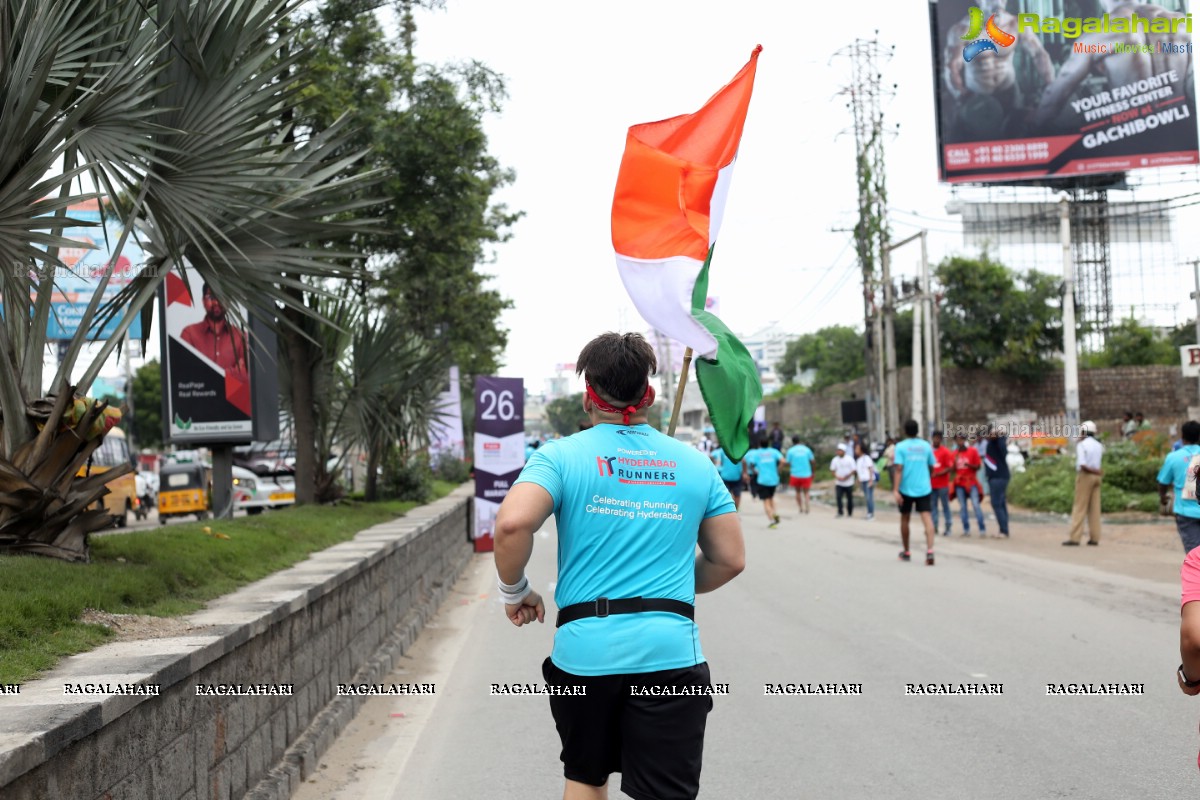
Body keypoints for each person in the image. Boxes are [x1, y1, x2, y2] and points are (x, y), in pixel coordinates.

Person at [493, 332, 745, 800]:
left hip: (584, 655)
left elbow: (511, 526)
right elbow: (730, 559)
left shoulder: (559, 456)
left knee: (586, 779)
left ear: (589, 396)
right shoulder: (694, 462)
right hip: (670, 657)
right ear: (648, 395)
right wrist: (664, 591)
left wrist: (516, 591)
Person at [1032, 0, 1192, 128]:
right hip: (1180, 133)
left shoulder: (1097, 35)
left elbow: (1053, 100)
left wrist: (1032, 128)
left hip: (1134, 138)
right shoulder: (1181, 24)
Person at [893, 419, 938, 565]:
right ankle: (930, 551)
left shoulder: (900, 447)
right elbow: (932, 465)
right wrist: (927, 478)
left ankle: (906, 551)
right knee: (927, 519)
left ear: (905, 431)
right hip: (924, 488)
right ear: (918, 430)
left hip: (906, 489)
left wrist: (895, 490)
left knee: (905, 519)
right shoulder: (926, 446)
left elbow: (898, 469)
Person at [180, 282, 247, 377]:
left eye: (222, 297)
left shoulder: (240, 336)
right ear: (203, 301)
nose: (216, 302)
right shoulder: (189, 333)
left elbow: (246, 374)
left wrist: (205, 374)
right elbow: (183, 372)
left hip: (233, 392)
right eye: (211, 297)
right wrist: (231, 372)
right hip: (200, 392)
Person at [1158, 420, 1200, 553]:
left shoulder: (1174, 457)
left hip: (1185, 512)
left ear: (1182, 437)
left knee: (1194, 555)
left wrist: (1163, 497)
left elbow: (1163, 482)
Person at [1064, 420, 1104, 546]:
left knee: (1080, 507)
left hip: (1086, 476)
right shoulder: (1099, 445)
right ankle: (1095, 538)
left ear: (1083, 432)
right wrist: (1097, 472)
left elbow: (1082, 465)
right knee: (1094, 508)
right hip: (1097, 477)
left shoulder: (1082, 445)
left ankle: (1075, 538)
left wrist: (1092, 470)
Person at [746, 437, 785, 528]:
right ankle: (774, 513)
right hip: (773, 479)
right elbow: (783, 461)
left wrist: (755, 471)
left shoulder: (757, 453)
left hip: (762, 480)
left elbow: (750, 464)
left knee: (766, 501)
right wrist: (778, 470)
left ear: (760, 444)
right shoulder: (774, 451)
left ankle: (772, 521)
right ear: (769, 443)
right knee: (771, 497)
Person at [952, 432, 987, 536]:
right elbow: (953, 470)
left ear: (965, 440)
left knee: (976, 505)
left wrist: (969, 465)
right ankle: (966, 529)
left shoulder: (972, 451)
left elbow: (978, 466)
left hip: (971, 482)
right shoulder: (954, 454)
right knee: (963, 506)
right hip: (959, 483)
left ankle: (982, 528)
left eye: (962, 440)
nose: (960, 442)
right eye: (958, 440)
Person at [984, 425, 1011, 538]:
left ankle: (1003, 531)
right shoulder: (994, 442)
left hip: (998, 477)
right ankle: (1003, 529)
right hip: (997, 477)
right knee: (1001, 503)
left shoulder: (998, 441)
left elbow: (999, 434)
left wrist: (998, 433)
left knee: (996, 504)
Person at [929, 430, 954, 536]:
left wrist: (938, 474)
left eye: (939, 438)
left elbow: (950, 467)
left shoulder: (946, 452)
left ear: (941, 439)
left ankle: (948, 526)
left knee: (945, 506)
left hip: (942, 484)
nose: (936, 440)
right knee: (932, 506)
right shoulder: (929, 451)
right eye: (935, 438)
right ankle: (934, 526)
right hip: (931, 484)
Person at [785, 435, 816, 515]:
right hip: (806, 474)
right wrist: (813, 471)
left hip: (795, 474)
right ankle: (807, 506)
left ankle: (800, 508)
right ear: (799, 441)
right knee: (806, 492)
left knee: (797, 492)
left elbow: (787, 462)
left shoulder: (790, 451)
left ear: (793, 442)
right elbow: (812, 461)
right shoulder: (806, 449)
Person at [711, 445, 745, 512]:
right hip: (736, 475)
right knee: (737, 495)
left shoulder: (722, 450)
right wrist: (744, 473)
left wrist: (714, 464)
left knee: (727, 495)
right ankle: (736, 510)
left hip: (725, 475)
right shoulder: (738, 450)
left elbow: (711, 456)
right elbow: (744, 461)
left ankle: (731, 510)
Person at [830, 443, 857, 518]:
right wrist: (837, 477)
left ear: (844, 451)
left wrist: (847, 476)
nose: (838, 452)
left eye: (840, 450)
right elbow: (832, 470)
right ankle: (840, 511)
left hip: (849, 482)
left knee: (849, 498)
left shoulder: (849, 459)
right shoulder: (835, 460)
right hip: (839, 482)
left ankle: (850, 512)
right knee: (838, 497)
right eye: (838, 450)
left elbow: (854, 469)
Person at [854, 442, 876, 520]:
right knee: (866, 497)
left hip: (868, 480)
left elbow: (870, 469)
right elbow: (858, 471)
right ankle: (869, 512)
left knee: (869, 497)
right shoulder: (858, 460)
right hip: (862, 480)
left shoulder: (866, 458)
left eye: (857, 449)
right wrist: (857, 480)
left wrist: (870, 480)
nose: (855, 450)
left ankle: (871, 513)